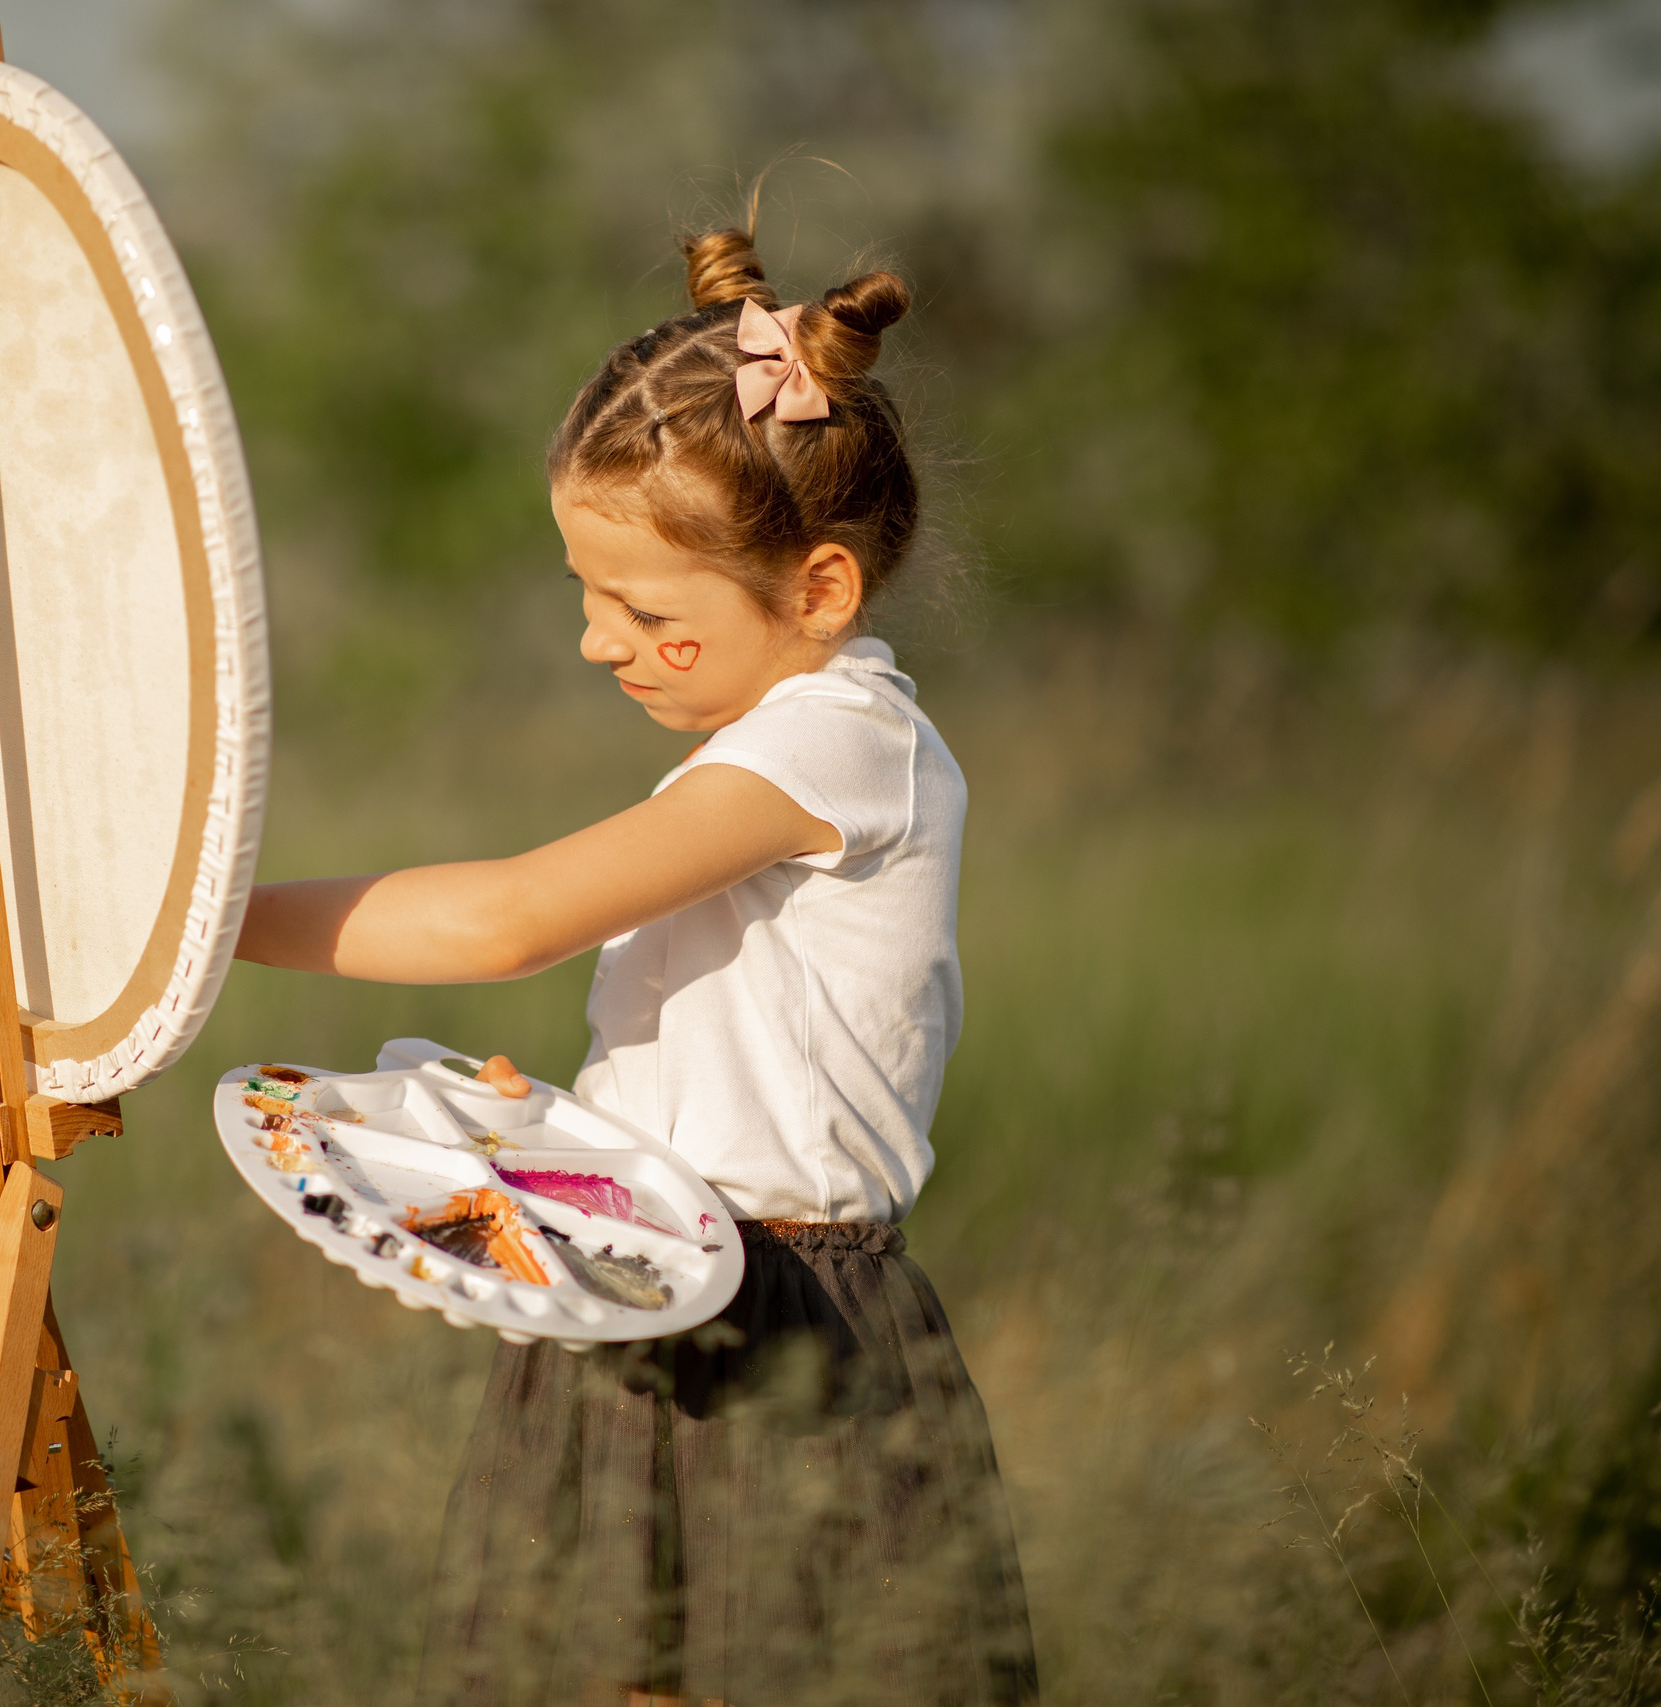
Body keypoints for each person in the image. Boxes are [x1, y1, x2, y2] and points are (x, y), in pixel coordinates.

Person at [234, 213, 1036, 1706]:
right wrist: (575, 1128)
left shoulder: (843, 744)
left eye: (649, 612)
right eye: (585, 594)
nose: (602, 643)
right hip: (639, 1277)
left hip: (783, 1326)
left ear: (820, 592)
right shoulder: (768, 743)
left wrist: (200, 925)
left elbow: (507, 920)